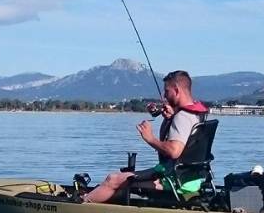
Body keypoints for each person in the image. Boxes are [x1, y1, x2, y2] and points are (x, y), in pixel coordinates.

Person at [83, 70, 208, 203]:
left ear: (176, 90)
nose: (164, 96)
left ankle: (80, 205)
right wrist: (169, 119)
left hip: (174, 181)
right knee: (119, 182)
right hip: (190, 180)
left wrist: (150, 138)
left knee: (112, 180)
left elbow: (174, 151)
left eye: (166, 91)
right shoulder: (197, 114)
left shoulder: (182, 117)